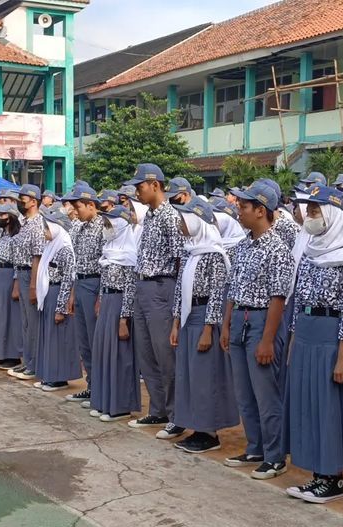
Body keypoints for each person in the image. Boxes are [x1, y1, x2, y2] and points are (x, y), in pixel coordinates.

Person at [285, 185, 343, 501]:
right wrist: (293, 338)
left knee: (329, 407)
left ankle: (333, 478)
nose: (311, 215)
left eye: (317, 210)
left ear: (332, 214)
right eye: (311, 209)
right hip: (305, 333)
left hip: (330, 336)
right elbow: (300, 297)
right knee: (309, 404)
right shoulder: (310, 250)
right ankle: (318, 473)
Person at [221, 180, 295, 480]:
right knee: (244, 392)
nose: (239, 210)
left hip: (263, 321)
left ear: (261, 210)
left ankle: (275, 456)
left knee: (266, 393)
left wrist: (267, 340)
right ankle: (255, 447)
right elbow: (231, 289)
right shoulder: (242, 245)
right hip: (240, 318)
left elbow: (278, 298)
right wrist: (226, 324)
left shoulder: (278, 248)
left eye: (244, 206)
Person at [169, 196, 237, 453]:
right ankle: (196, 426)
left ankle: (209, 432)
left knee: (205, 377)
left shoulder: (214, 255)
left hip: (204, 320)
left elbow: (217, 294)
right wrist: (176, 322)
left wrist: (209, 329)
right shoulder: (191, 252)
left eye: (184, 219)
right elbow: (180, 290)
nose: (180, 224)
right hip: (188, 319)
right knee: (189, 375)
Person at [125, 165, 184, 435]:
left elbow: (180, 259)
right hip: (143, 286)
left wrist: (177, 302)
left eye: (141, 186)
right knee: (146, 353)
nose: (137, 191)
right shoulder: (148, 215)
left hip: (162, 286)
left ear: (156, 185)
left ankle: (176, 414)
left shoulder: (170, 216)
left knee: (165, 355)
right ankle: (158, 409)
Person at [90, 205, 140, 420]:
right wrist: (100, 298)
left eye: (110, 223)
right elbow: (104, 280)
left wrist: (123, 319)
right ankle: (104, 401)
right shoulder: (109, 250)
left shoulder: (128, 254)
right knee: (103, 352)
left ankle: (119, 405)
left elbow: (130, 288)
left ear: (120, 226)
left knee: (119, 355)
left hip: (120, 304)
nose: (106, 227)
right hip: (107, 302)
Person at [32, 207, 80, 392]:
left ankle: (59, 378)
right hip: (49, 294)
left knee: (59, 338)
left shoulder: (65, 249)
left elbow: (68, 279)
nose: (44, 233)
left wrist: (61, 308)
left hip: (58, 294)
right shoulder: (51, 247)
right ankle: (49, 375)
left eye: (47, 228)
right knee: (49, 337)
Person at [67, 185, 104, 405]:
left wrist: (100, 295)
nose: (75, 211)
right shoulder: (81, 227)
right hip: (80, 283)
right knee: (84, 342)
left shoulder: (103, 228)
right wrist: (72, 293)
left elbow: (105, 265)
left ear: (91, 205)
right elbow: (76, 264)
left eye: (78, 206)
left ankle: (100, 388)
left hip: (94, 284)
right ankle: (91, 385)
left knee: (94, 339)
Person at [5, 184, 45, 376]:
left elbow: (37, 257)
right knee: (25, 322)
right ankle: (27, 360)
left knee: (33, 322)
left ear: (34, 201)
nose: (20, 202)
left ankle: (34, 364)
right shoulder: (25, 223)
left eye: (23, 199)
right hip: (20, 273)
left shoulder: (38, 223)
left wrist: (32, 286)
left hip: (31, 273)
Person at [0, 199, 23, 367]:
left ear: (11, 217)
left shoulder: (17, 236)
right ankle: (0, 352)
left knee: (10, 315)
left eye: (3, 214)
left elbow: (18, 261)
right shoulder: (2, 234)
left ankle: (12, 354)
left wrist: (16, 283)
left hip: (9, 273)